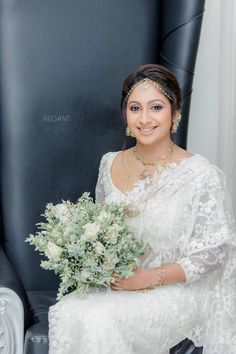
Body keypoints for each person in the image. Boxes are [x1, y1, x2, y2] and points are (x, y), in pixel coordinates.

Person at [48, 64, 236, 354]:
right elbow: (102, 230)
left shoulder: (201, 174)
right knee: (65, 312)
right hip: (120, 285)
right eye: (135, 108)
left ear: (176, 114)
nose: (145, 118)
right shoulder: (109, 163)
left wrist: (149, 277)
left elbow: (214, 252)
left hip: (176, 292)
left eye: (156, 107)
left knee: (99, 319)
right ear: (125, 114)